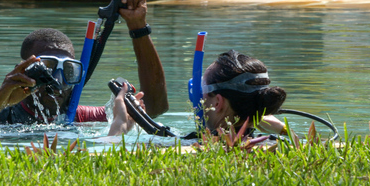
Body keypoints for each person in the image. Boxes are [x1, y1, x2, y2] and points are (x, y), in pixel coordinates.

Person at [0, 0, 168, 128]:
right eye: (47, 69)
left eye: (69, 71)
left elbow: (154, 109)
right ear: (23, 71)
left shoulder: (80, 117)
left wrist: (138, 27)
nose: (57, 81)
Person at [109, 49, 286, 137]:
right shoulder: (272, 142)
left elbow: (110, 165)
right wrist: (284, 131)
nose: (196, 96)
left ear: (217, 102)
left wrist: (120, 125)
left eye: (201, 89)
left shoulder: (189, 148)